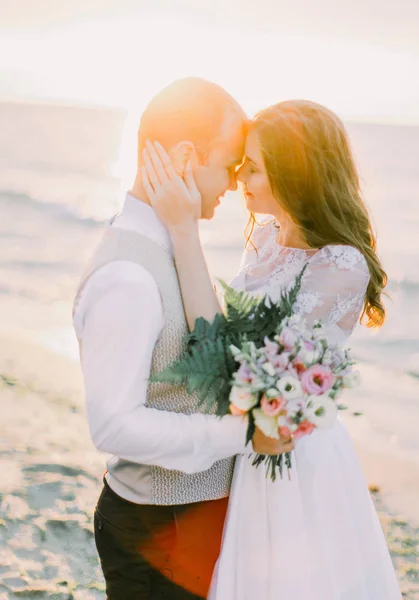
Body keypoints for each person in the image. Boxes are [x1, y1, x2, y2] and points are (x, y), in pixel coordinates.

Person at [141, 99, 403, 599]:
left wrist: (184, 230)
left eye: (254, 167)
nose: (240, 175)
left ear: (294, 174)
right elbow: (214, 328)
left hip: (293, 455)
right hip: (248, 443)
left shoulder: (340, 265)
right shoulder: (263, 237)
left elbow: (227, 356)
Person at [72, 78, 294, 600]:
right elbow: (114, 425)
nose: (235, 182)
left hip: (184, 522)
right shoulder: (127, 276)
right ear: (188, 155)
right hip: (157, 529)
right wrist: (242, 436)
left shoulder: (168, 241)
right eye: (230, 162)